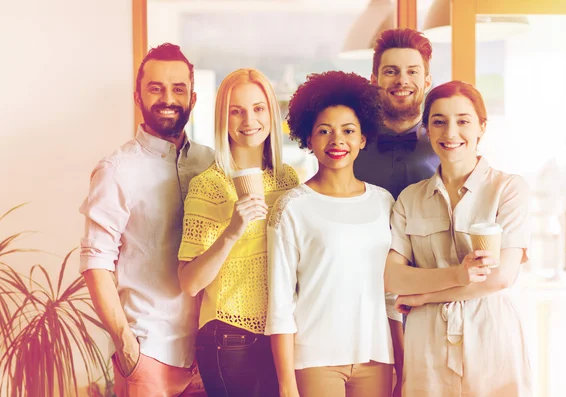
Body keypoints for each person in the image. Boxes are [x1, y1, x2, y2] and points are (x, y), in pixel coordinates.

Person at [80, 43, 213, 396]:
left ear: (193, 98)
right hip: (149, 352)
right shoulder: (117, 170)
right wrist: (126, 345)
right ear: (138, 97)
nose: (167, 98)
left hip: (209, 354)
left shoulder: (211, 163)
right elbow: (96, 262)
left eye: (178, 88)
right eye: (156, 88)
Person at [384, 81, 532, 396]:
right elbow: (393, 277)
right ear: (427, 129)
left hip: (491, 335)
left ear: (482, 127)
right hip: (427, 342)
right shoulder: (410, 199)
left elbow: (501, 278)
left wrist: (425, 295)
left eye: (463, 120)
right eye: (439, 121)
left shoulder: (508, 190)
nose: (451, 132)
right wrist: (456, 275)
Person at [265, 71, 403, 397]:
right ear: (308, 140)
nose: (337, 140)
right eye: (324, 131)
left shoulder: (384, 202)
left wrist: (402, 363)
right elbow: (281, 304)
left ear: (363, 138)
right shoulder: (292, 207)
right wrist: (286, 386)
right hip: (314, 360)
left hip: (376, 357)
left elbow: (391, 296)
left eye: (348, 131)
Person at [177, 68, 299, 397]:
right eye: (237, 110)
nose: (249, 120)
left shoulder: (289, 180)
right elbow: (189, 283)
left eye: (258, 108)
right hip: (230, 340)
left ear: (272, 114)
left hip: (282, 337)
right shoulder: (208, 186)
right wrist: (232, 230)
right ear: (223, 118)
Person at [354, 27, 440, 200]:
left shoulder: (446, 146)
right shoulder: (351, 147)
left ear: (427, 81)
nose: (402, 80)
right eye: (391, 72)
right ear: (374, 80)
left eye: (412, 72)